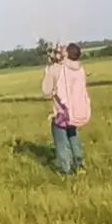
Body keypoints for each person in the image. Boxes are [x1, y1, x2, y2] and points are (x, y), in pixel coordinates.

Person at [41, 43, 91, 175]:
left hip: (62, 112)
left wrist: (48, 70)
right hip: (76, 111)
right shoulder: (79, 68)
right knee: (73, 136)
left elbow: (46, 91)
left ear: (67, 54)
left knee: (61, 142)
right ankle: (80, 165)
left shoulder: (56, 70)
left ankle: (66, 171)